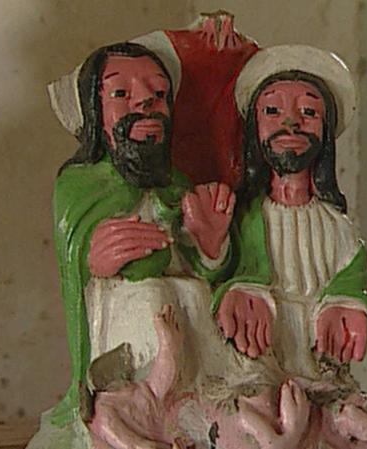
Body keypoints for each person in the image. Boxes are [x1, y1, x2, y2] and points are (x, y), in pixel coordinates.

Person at [49, 40, 234, 426]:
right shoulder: (79, 184)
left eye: (159, 94)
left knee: (194, 296)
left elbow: (203, 268)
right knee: (152, 295)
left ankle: (205, 409)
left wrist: (210, 245)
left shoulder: (178, 184)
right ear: (95, 111)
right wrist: (92, 257)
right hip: (124, 323)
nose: (146, 102)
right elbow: (72, 257)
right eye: (121, 93)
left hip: (194, 334)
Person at [214, 44, 367, 384]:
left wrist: (344, 303)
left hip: (316, 359)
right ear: (254, 128)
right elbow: (217, 267)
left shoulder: (338, 227)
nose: (291, 123)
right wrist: (239, 289)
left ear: (325, 131)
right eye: (272, 110)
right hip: (256, 358)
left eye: (308, 112)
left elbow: (352, 272)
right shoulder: (240, 218)